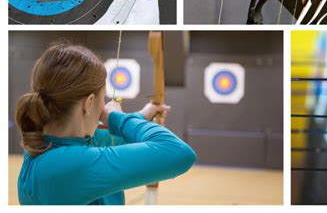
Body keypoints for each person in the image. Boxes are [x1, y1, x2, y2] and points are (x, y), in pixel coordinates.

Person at [15, 41, 196, 205]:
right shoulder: (67, 165)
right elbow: (179, 153)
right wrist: (116, 117)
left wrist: (142, 116)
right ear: (89, 102)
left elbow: (118, 140)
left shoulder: (46, 142)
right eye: (104, 97)